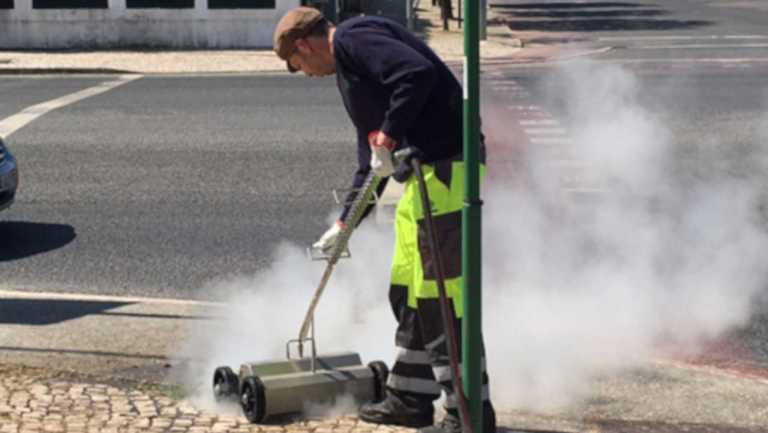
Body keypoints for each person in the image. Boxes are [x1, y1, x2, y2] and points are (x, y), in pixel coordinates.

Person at [272, 7, 496, 433]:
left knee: (442, 299)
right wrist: (344, 226)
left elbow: (415, 74)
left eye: (298, 64)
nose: (305, 74)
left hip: (446, 169)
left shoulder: (353, 39)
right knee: (409, 292)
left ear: (303, 45)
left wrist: (390, 134)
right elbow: (370, 165)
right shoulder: (349, 73)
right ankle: (409, 398)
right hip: (422, 179)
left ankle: (469, 414)